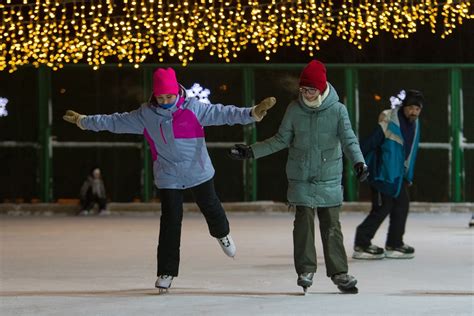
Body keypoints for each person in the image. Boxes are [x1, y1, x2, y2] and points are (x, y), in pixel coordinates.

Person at [63, 67, 276, 292]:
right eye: (161, 97)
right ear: (154, 95)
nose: (165, 101)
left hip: (197, 170)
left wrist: (252, 112)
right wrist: (84, 121)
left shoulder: (193, 108)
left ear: (177, 92)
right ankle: (166, 271)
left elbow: (222, 113)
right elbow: (115, 122)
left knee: (211, 207)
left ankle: (222, 234)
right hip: (168, 175)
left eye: (170, 96)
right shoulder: (145, 115)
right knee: (170, 222)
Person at [229, 60, 368, 294]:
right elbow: (280, 140)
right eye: (303, 90)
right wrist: (251, 151)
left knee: (332, 226)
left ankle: (339, 272)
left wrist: (359, 162)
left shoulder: (337, 110)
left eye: (311, 90)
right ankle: (305, 269)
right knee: (302, 225)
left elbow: (349, 139)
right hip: (301, 177)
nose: (306, 94)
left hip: (328, 177)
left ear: (322, 88)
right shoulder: (294, 109)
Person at [352, 89, 424, 260]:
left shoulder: (415, 124)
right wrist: (360, 163)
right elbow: (368, 143)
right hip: (381, 174)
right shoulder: (389, 122)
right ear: (404, 107)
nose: (414, 112)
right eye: (411, 108)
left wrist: (408, 175)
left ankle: (394, 243)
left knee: (401, 206)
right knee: (382, 208)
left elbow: (410, 152)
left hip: (398, 177)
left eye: (417, 109)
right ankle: (361, 243)